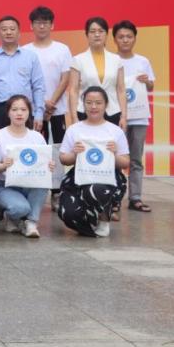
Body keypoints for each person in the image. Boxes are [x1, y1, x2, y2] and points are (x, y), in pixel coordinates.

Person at [58, 87, 130, 237]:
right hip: (79, 176)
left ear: (106, 105)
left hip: (107, 177)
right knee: (68, 213)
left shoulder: (115, 131)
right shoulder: (74, 129)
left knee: (95, 190)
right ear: (83, 104)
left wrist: (114, 154)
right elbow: (63, 159)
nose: (93, 106)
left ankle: (104, 219)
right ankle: (89, 223)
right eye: (89, 102)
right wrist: (75, 154)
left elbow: (125, 162)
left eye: (98, 102)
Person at [24, 6, 74, 208]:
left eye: (45, 22)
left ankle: (56, 192)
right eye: (38, 23)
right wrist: (40, 104)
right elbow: (25, 80)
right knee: (35, 150)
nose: (42, 26)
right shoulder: (25, 50)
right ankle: (33, 191)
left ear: (52, 25)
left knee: (56, 150)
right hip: (33, 110)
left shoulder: (62, 49)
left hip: (57, 109)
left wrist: (51, 102)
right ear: (31, 26)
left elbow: (65, 78)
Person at [0, 95, 52, 238]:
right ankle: (13, 216)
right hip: (6, 185)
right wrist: (3, 166)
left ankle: (31, 223)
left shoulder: (37, 137)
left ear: (29, 112)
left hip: (31, 183)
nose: (19, 113)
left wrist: (49, 165)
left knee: (42, 184)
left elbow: (45, 162)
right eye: (14, 110)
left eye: (23, 109)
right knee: (20, 208)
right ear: (8, 113)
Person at [0, 16, 45, 136]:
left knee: (25, 144)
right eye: (4, 29)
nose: (8, 32)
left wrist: (39, 113)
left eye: (12, 29)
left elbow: (38, 86)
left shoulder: (31, 57)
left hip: (24, 109)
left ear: (19, 32)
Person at [113, 20, 156, 213]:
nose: (125, 40)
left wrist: (147, 81)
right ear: (115, 39)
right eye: (121, 37)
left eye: (129, 36)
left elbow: (151, 86)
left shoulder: (142, 61)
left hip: (139, 116)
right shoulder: (112, 60)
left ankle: (135, 198)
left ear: (135, 38)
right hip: (117, 116)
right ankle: (114, 197)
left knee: (136, 159)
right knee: (116, 158)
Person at [67, 17, 127, 131]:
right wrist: (74, 117)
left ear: (106, 34)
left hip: (112, 112)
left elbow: (121, 89)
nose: (97, 34)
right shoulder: (78, 60)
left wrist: (124, 116)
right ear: (87, 35)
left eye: (101, 31)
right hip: (85, 112)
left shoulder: (116, 59)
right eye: (92, 31)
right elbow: (73, 90)